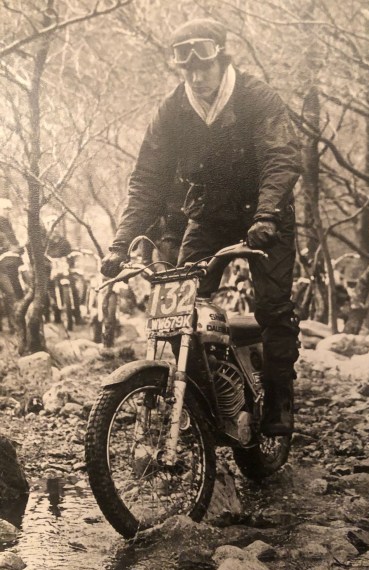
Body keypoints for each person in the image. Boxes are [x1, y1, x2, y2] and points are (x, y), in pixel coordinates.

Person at [101, 18, 302, 436]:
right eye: (188, 68)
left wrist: (267, 215)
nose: (196, 77)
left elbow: (280, 157)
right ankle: (209, 393)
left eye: (204, 66)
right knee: (179, 309)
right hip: (209, 214)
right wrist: (120, 244)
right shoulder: (173, 109)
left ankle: (278, 396)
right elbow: (147, 179)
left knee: (273, 306)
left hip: (266, 214)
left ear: (221, 59)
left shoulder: (257, 97)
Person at [0, 198, 23, 331]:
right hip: (3, 262)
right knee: (10, 293)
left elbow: (11, 240)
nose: (8, 211)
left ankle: (14, 325)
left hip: (6, 263)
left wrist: (17, 247)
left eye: (9, 209)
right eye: (5, 209)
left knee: (12, 292)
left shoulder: (7, 223)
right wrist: (9, 246)